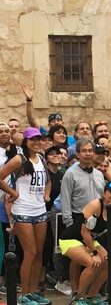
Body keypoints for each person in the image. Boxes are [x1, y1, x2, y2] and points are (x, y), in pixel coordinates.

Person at [0, 127, 51, 305]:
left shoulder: (42, 159)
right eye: (33, 139)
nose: (36, 142)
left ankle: (33, 291)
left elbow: (48, 182)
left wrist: (46, 194)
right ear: (26, 141)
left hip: (40, 211)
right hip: (23, 210)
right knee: (30, 252)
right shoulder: (19, 159)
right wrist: (13, 192)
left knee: (39, 254)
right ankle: (24, 294)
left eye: (39, 139)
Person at [58, 181, 111, 305]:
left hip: (91, 239)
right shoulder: (95, 205)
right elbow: (84, 232)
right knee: (92, 263)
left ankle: (91, 296)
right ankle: (79, 298)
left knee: (110, 263)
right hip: (72, 238)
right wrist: (94, 253)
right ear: (104, 193)